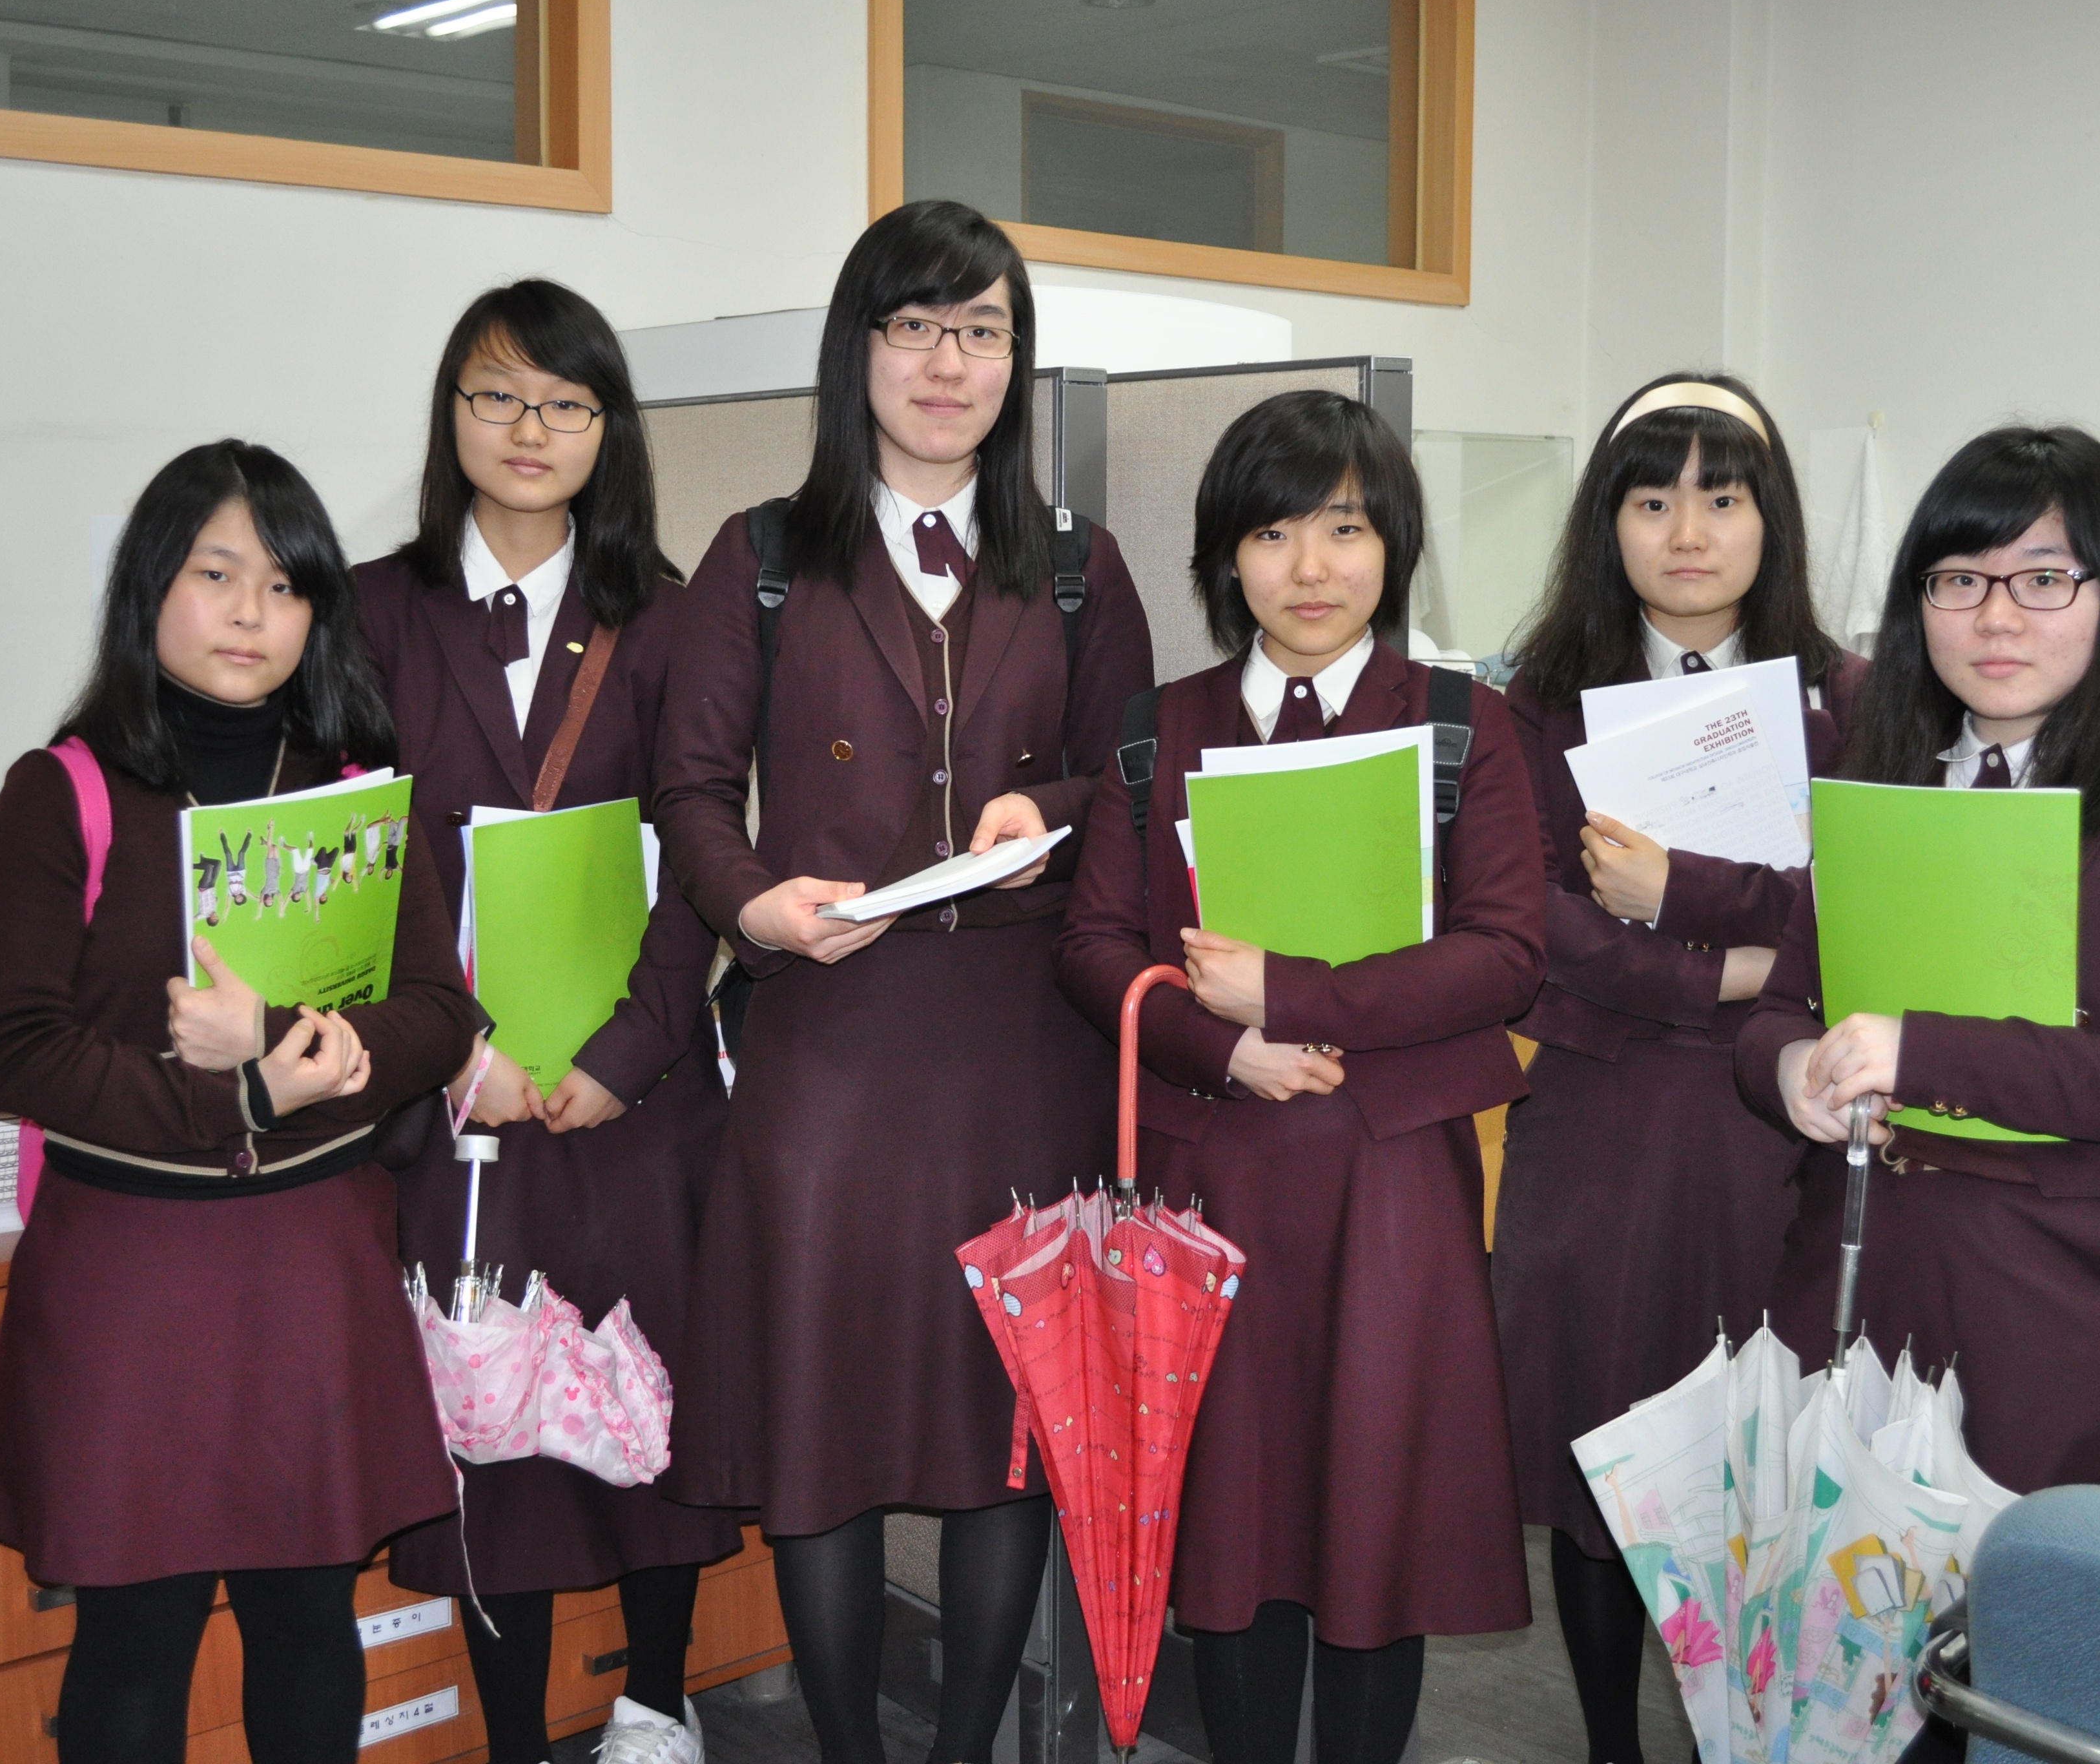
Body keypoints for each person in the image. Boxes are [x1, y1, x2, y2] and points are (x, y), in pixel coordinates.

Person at [654, 199, 1155, 1764]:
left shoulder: (1074, 566)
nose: (949, 362)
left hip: (1019, 1047)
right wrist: (759, 903)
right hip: (828, 1046)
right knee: (822, 1425)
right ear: (856, 349)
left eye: (982, 330)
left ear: (1017, 358)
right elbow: (687, 788)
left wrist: (1043, 814)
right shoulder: (759, 556)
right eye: (916, 326)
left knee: (1002, 1422)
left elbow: (1137, 778)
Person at [0, 440, 479, 1764]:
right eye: (217, 574)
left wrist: (292, 1045)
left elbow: (437, 1012)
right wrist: (239, 1091)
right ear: (150, 587)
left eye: (287, 586)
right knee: (137, 1634)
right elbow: (10, 1049)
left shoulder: (351, 789)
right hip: (132, 1273)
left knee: (309, 1619)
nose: (252, 613)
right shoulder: (62, 791)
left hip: (312, 1260)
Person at [1055, 390, 1543, 1764]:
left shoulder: (1462, 725)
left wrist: (1293, 993)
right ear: (1227, 555)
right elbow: (1090, 947)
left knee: (1378, 1528)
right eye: (1273, 533)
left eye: (1345, 529)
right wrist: (1224, 1044)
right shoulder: (1160, 728)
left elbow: (1507, 953)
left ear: (1394, 546)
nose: (1310, 567)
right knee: (1237, 1527)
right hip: (1215, 1181)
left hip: (1391, 1189)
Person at [1736, 424, 2100, 1498]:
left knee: (2024, 1592)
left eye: (2042, 579)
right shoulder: (1880, 786)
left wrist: (1923, 1053)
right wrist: (1792, 1069)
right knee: (1835, 1589)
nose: (1994, 617)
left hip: (2052, 1294)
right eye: (1958, 580)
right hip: (1852, 1268)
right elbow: (1778, 1012)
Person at [356, 278, 739, 1764]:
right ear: (450, 412)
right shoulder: (373, 612)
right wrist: (454, 1047)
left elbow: (702, 847)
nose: (529, 427)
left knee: (647, 1391)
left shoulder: (670, 614)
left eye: (565, 401)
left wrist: (625, 1053)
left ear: (606, 428)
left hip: (633, 1083)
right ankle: (511, 1735)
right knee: (492, 1417)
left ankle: (656, 1702)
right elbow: (361, 853)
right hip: (457, 1089)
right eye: (497, 394)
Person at [1490, 374, 1864, 1764]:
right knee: (1607, 1454)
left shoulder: (1853, 698)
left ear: (1772, 519)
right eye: (1652, 501)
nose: (1687, 532)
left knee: (1764, 1453)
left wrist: (1688, 900)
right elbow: (1537, 924)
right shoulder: (1536, 704)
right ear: (1608, 523)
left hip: (1786, 1120)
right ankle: (1611, 1744)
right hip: (1602, 1121)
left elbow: (1870, 903)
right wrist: (1741, 970)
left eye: (1721, 497)